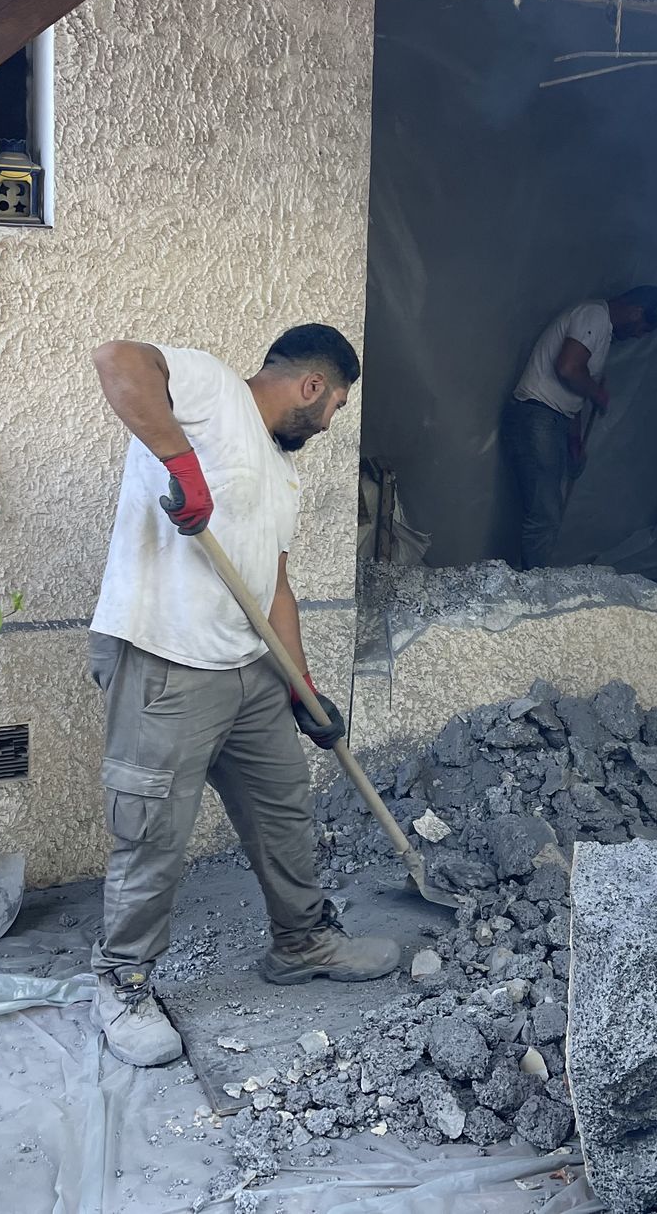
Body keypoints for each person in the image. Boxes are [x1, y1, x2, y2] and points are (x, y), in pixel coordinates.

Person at [86, 324, 401, 1068]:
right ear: (313, 387)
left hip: (249, 666)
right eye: (336, 406)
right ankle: (122, 981)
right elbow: (119, 360)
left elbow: (275, 587)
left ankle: (302, 942)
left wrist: (302, 687)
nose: (330, 425)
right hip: (165, 655)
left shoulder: (282, 473)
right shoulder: (211, 389)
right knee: (153, 831)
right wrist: (181, 464)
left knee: (283, 807)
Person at [503, 286, 657, 568]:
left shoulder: (600, 327)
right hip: (537, 415)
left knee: (545, 511)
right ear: (636, 312)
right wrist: (596, 393)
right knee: (544, 514)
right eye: (643, 328)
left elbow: (572, 391)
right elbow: (568, 368)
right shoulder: (594, 315)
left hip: (552, 419)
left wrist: (574, 440)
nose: (639, 335)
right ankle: (534, 583)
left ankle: (533, 577)